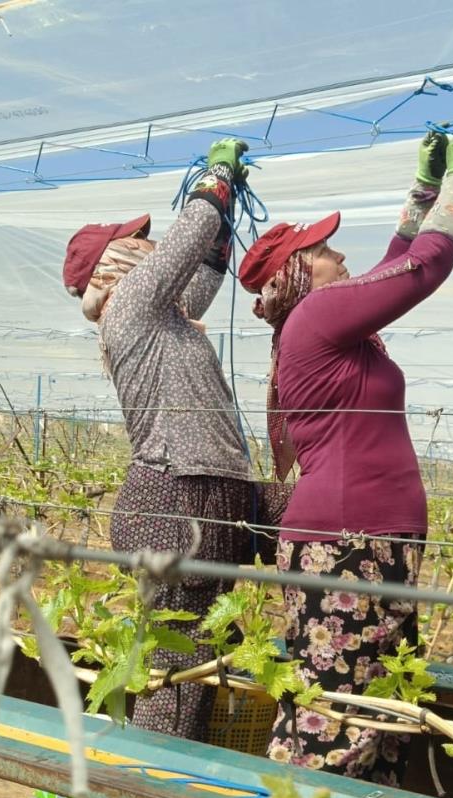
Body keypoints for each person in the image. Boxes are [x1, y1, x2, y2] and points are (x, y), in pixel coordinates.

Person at [237, 126, 453, 785]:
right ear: (298, 273)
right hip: (345, 547)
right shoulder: (316, 316)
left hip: (367, 542)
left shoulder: (330, 323)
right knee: (333, 730)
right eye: (323, 249)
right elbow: (421, 268)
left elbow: (389, 266)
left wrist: (424, 189)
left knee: (378, 720)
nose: (340, 253)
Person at [62, 139, 287, 741]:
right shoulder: (129, 307)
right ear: (114, 264)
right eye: (137, 241)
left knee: (203, 654)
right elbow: (189, 240)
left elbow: (204, 267)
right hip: (174, 497)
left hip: (210, 489)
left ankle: (174, 776)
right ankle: (147, 784)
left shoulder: (160, 314)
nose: (151, 245)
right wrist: (217, 177)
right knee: (177, 667)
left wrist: (226, 208)